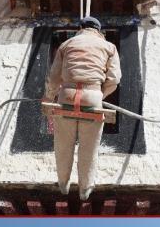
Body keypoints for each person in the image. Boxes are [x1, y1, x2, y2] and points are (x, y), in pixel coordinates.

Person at [44, 17, 121, 201]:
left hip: (67, 95)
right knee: (89, 147)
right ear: (98, 30)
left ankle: (63, 183)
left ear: (80, 28)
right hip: (93, 95)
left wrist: (49, 96)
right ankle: (85, 189)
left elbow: (54, 78)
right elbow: (114, 79)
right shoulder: (109, 47)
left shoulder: (66, 44)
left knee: (63, 145)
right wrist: (99, 96)